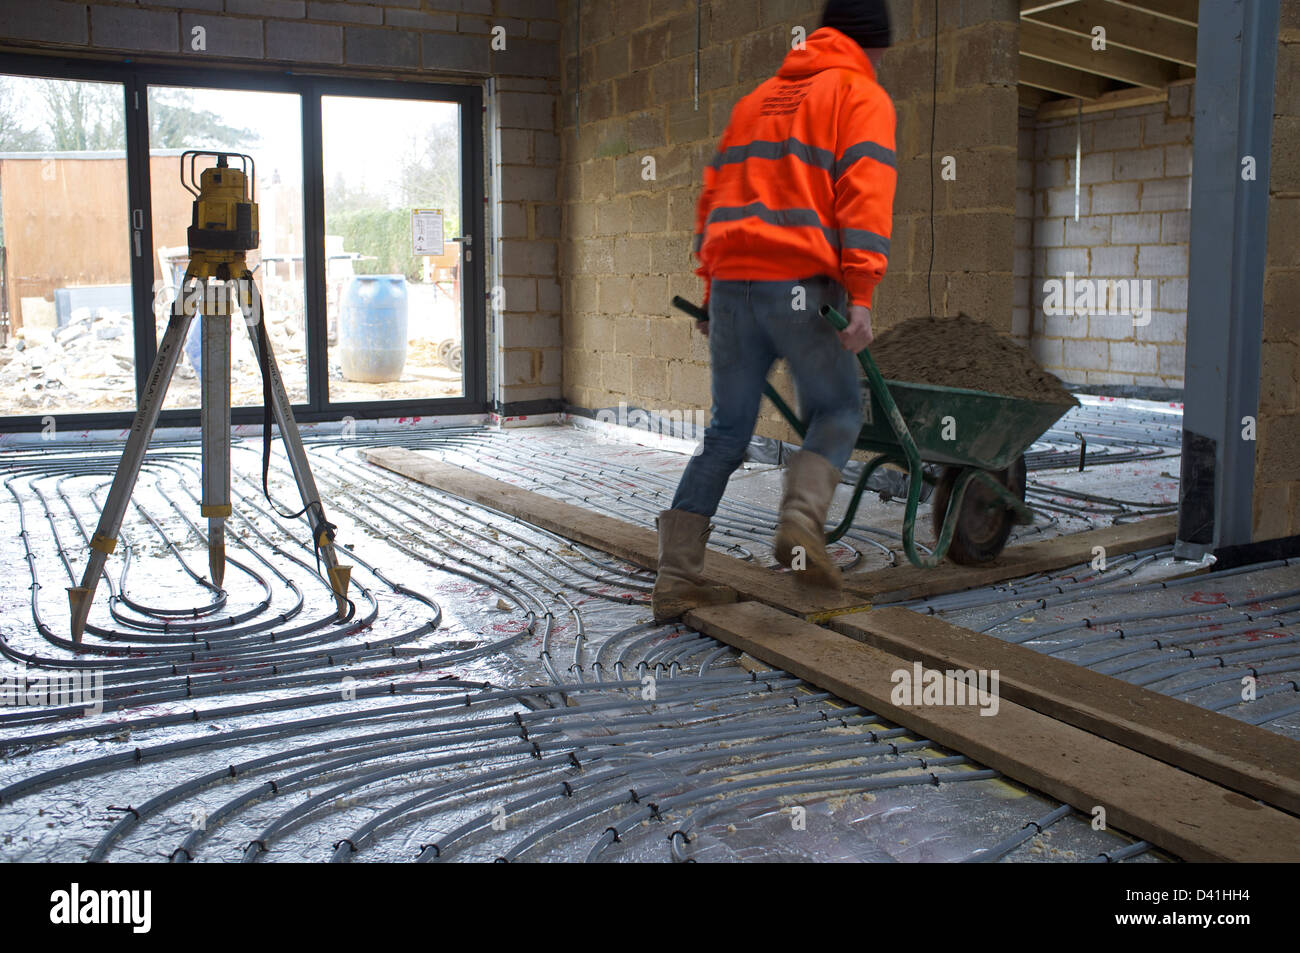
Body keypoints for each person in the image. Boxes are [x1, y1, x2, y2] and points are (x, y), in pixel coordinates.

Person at [652, 0, 898, 622]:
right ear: (868, 45)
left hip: (734, 285)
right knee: (840, 406)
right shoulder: (859, 96)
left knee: (727, 433)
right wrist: (862, 294)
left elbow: (713, 199)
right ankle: (799, 524)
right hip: (800, 286)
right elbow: (864, 196)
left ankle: (676, 580)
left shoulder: (755, 101)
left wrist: (712, 292)